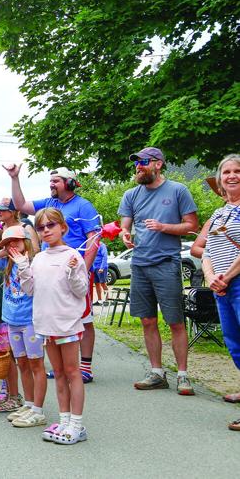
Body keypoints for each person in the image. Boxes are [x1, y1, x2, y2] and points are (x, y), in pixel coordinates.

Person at [4, 164, 100, 383]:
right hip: (49, 269)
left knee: (83, 318)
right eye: (50, 181)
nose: (51, 184)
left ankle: (84, 367)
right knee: (53, 314)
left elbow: (94, 239)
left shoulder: (83, 206)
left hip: (74, 268)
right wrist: (14, 178)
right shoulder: (49, 204)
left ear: (70, 182)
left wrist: (82, 269)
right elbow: (20, 205)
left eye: (56, 180)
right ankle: (62, 366)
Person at [118, 147, 199, 394]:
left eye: (143, 162)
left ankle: (183, 376)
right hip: (140, 265)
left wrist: (164, 226)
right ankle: (157, 373)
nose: (138, 167)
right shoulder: (131, 194)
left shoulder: (177, 190)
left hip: (167, 263)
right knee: (147, 320)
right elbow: (125, 227)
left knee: (175, 321)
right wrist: (125, 235)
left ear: (158, 164)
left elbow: (191, 225)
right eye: (136, 163)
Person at [15, 208, 89, 444]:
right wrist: (23, 268)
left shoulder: (72, 255)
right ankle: (64, 420)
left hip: (67, 325)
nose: (46, 230)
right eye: (41, 227)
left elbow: (82, 291)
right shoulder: (38, 259)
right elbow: (29, 290)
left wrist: (71, 273)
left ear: (62, 227)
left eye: (51, 225)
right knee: (57, 373)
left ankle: (76, 424)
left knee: (72, 372)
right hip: (46, 327)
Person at [0, 226, 44, 424]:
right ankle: (29, 404)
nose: (12, 245)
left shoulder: (33, 262)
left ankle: (38, 410)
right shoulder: (5, 262)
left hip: (29, 322)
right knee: (21, 363)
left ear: (25, 241)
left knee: (36, 365)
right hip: (12, 322)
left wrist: (21, 258)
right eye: (8, 242)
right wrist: (3, 251)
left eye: (16, 240)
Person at [201, 154, 240, 430]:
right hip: (221, 287)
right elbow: (207, 251)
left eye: (238, 171)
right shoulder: (218, 213)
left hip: (235, 282)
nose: (232, 176)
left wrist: (227, 276)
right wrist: (210, 276)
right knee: (234, 343)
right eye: (226, 171)